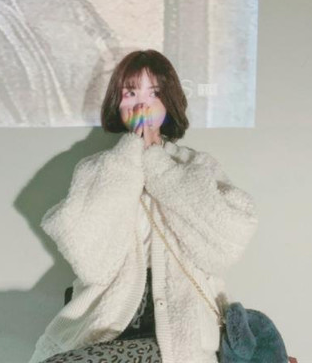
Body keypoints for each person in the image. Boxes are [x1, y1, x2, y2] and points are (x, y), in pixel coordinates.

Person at [28, 50, 259, 363]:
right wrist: (129, 154)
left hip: (181, 330)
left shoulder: (197, 165)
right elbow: (93, 263)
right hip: (108, 323)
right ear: (117, 103)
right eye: (130, 93)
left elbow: (223, 247)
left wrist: (158, 164)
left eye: (154, 93)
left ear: (169, 101)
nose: (142, 104)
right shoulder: (99, 168)